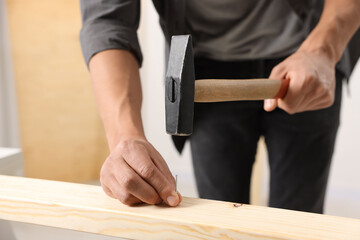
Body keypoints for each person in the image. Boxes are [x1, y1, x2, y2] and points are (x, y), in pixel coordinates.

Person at [79, 0, 360, 213]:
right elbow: (107, 19)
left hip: (305, 58)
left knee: (299, 219)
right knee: (220, 219)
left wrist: (322, 50)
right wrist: (125, 136)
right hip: (204, 63)